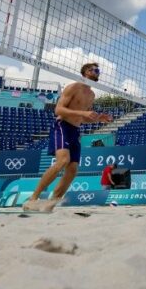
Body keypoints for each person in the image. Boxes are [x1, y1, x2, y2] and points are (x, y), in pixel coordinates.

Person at [24, 63, 112, 212]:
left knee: (72, 170)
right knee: (63, 161)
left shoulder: (91, 95)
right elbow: (58, 110)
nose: (97, 72)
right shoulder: (73, 87)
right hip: (62, 126)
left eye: (98, 71)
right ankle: (33, 198)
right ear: (85, 72)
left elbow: (83, 118)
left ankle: (51, 203)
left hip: (75, 130)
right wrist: (83, 113)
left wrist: (98, 118)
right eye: (94, 70)